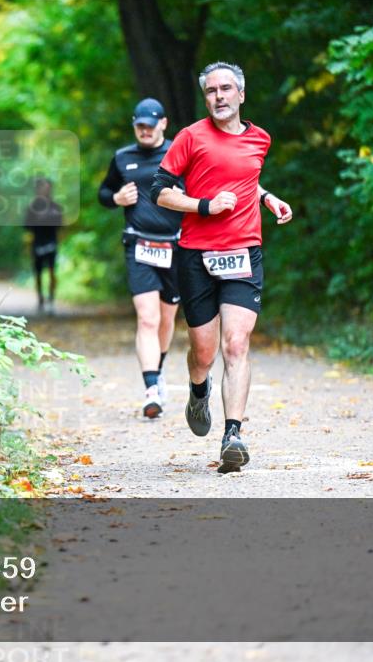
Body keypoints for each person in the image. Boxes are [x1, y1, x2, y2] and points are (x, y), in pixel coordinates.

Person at [151, 61, 293, 473]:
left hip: (244, 251)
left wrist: (267, 198)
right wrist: (203, 205)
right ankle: (198, 390)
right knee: (204, 351)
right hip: (196, 254)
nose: (219, 96)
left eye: (226, 89)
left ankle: (233, 434)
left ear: (241, 94)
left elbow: (246, 178)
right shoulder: (190, 137)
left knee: (236, 344)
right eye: (212, 90)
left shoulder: (260, 139)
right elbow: (160, 191)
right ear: (206, 97)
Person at [98, 98, 185, 419]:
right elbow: (104, 193)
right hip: (139, 244)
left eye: (151, 125)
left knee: (166, 318)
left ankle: (157, 369)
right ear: (135, 126)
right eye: (140, 126)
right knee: (147, 318)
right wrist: (117, 198)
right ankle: (151, 390)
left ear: (163, 123)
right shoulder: (122, 158)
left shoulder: (179, 153)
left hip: (175, 247)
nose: (145, 131)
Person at [24, 177, 63, 314]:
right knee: (38, 273)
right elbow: (26, 226)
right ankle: (40, 299)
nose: (46, 190)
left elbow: (60, 225)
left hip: (51, 242)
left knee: (53, 271)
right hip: (37, 243)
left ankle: (51, 299)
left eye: (48, 187)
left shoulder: (56, 206)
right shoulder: (32, 207)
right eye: (43, 187)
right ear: (38, 189)